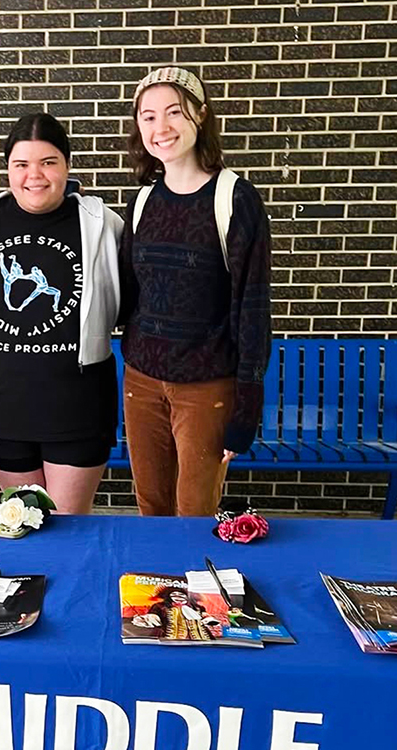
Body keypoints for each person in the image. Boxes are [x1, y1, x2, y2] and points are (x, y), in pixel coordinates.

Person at [119, 66, 272, 517]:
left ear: (200, 116)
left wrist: (246, 410)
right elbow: (130, 294)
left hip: (206, 387)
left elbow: (253, 307)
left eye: (173, 112)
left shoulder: (235, 199)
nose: (160, 127)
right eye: (147, 116)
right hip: (142, 380)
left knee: (194, 510)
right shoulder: (143, 201)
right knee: (150, 504)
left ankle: (196, 590)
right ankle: (155, 590)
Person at [0, 113, 123, 515]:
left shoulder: (102, 224)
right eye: (22, 164)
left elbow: (126, 302)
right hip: (3, 407)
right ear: (8, 169)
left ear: (66, 165)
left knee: (66, 529)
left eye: (48, 162)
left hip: (77, 407)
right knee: (22, 525)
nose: (35, 175)